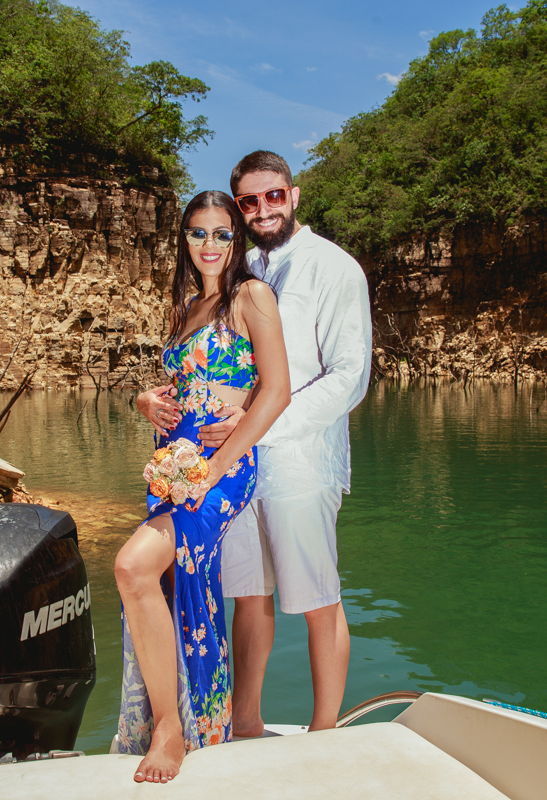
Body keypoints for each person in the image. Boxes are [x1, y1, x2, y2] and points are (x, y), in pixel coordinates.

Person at [146, 151, 372, 737]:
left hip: (302, 461)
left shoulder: (334, 267)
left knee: (317, 598)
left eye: (273, 195)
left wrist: (260, 422)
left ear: (293, 195)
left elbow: (350, 377)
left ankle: (326, 734)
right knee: (248, 594)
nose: (263, 208)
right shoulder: (237, 269)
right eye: (249, 201)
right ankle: (245, 723)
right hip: (235, 467)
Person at [116, 190, 290, 784]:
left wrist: (217, 466)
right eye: (198, 233)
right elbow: (176, 386)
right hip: (173, 466)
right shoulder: (185, 308)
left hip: (222, 468)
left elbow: (276, 391)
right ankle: (199, 721)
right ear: (184, 240)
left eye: (221, 233)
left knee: (133, 567)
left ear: (236, 238)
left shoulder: (252, 297)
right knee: (160, 581)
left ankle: (171, 730)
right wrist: (145, 400)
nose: (210, 245)